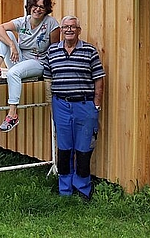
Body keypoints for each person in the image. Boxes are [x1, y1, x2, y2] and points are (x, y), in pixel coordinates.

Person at [43, 15, 105, 201]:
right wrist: (50, 102)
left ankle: (83, 187)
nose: (69, 30)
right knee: (64, 147)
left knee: (84, 147)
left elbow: (99, 78)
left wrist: (96, 103)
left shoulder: (89, 51)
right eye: (65, 27)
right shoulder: (52, 51)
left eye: (72, 27)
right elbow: (48, 78)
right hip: (60, 103)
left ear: (79, 30)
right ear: (61, 30)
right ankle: (65, 188)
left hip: (84, 104)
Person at [0, 0, 60, 133]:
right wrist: (12, 45)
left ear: (46, 10)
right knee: (7, 35)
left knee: (13, 73)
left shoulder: (51, 24)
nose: (38, 9)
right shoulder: (23, 21)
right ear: (30, 7)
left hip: (38, 62)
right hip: (19, 59)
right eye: (35, 6)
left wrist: (53, 72)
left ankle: (12, 115)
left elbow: (55, 48)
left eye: (42, 7)